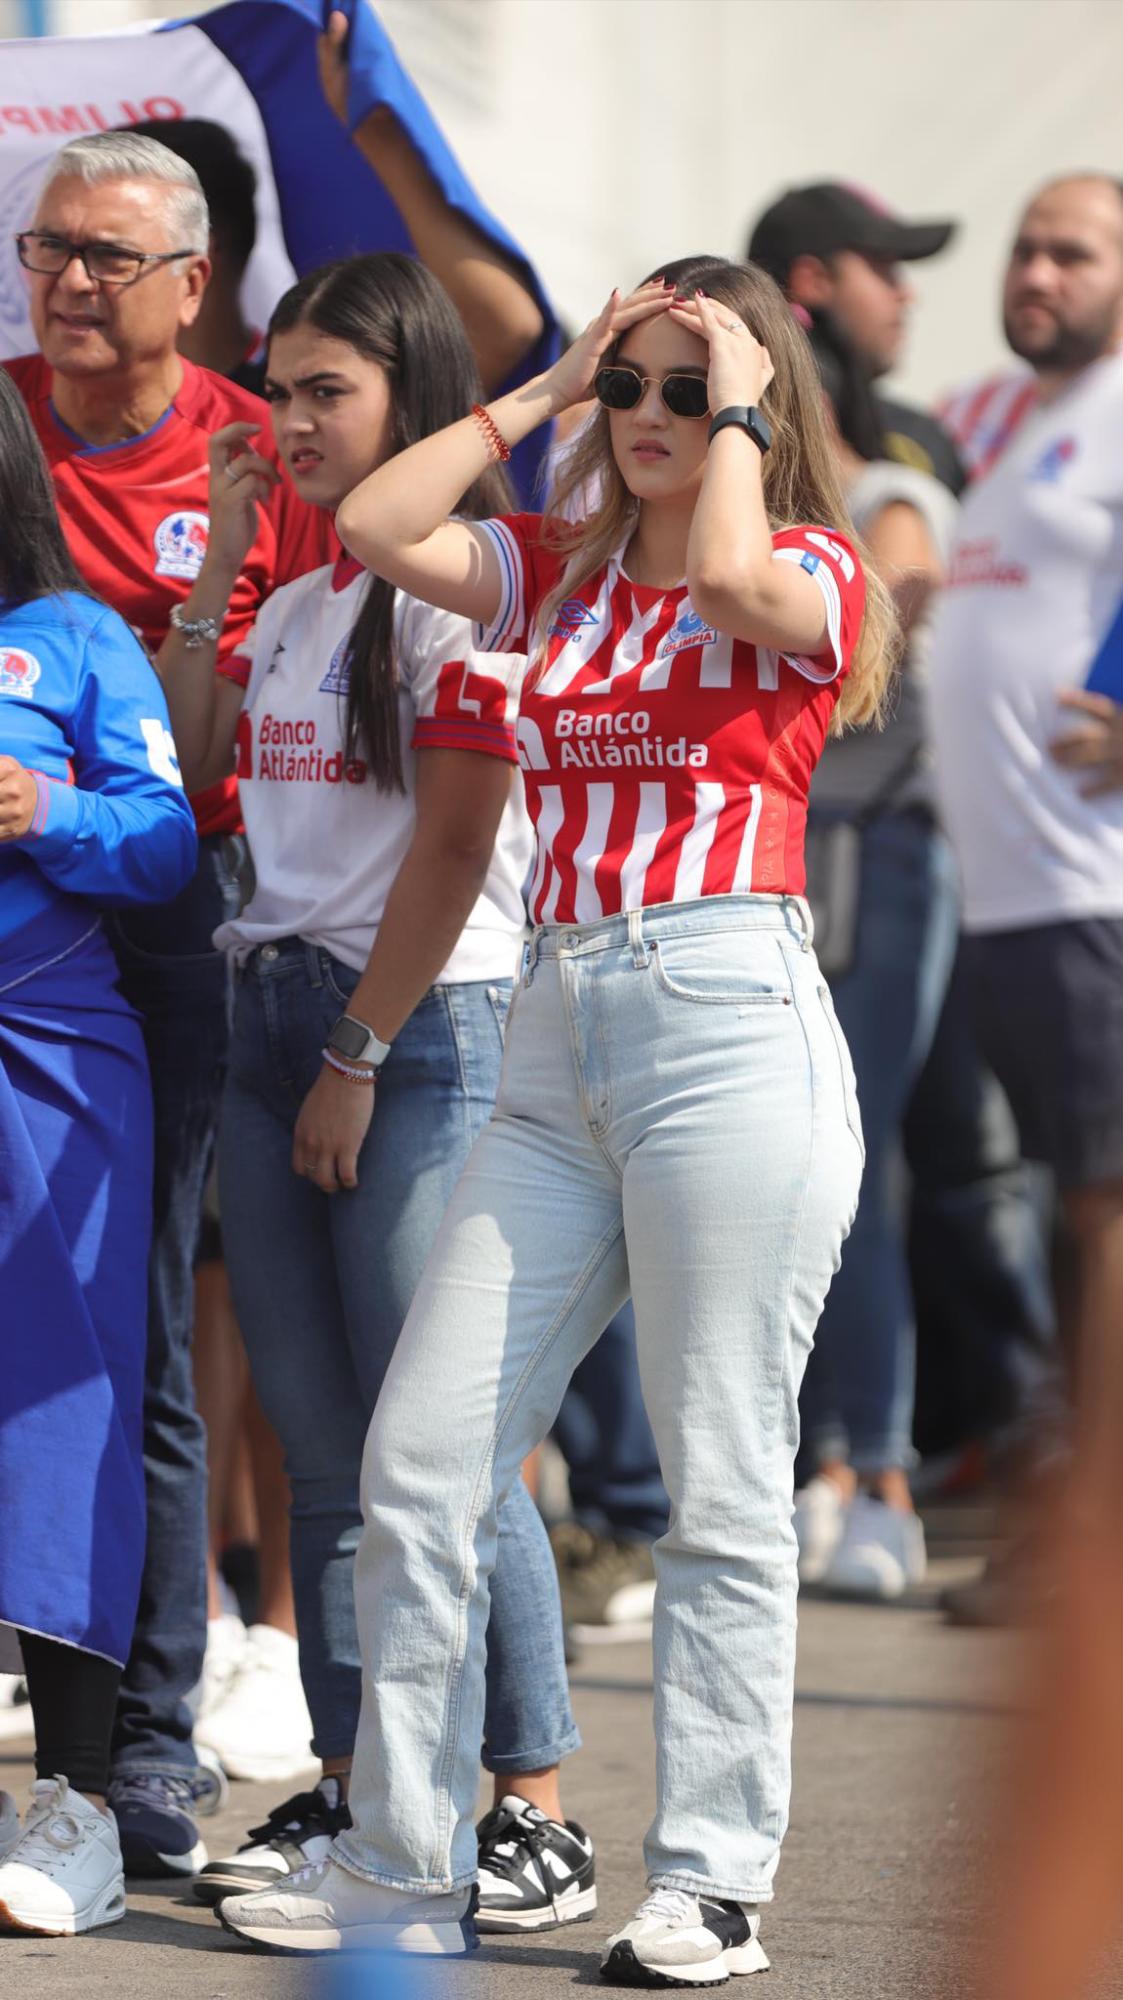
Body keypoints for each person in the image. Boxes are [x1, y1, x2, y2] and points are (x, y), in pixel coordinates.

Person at [216, 253, 895, 1979]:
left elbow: (728, 571)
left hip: (725, 1020)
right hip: (548, 1034)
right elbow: (378, 518)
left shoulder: (807, 566)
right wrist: (551, 382)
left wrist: (734, 410)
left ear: (751, 406)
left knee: (718, 1483)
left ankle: (708, 1882)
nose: (650, 414)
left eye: (687, 388)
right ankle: (400, 1864)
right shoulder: (557, 572)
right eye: (633, 387)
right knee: (419, 1462)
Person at [157, 250, 593, 1932]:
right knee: (327, 1457)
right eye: (276, 389)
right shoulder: (292, 607)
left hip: (410, 1035)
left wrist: (354, 1053)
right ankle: (359, 1792)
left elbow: (458, 845)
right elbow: (198, 766)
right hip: (272, 1015)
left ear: (412, 397)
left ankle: (530, 1808)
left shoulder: (454, 590)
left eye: (324, 390)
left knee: (445, 1451)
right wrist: (217, 560)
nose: (287, 419)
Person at [4, 125, 335, 1877]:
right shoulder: (6, 412)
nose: (65, 281)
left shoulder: (261, 443)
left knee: (134, 1330)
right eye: (45, 247)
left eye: (104, 256)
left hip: (172, 916)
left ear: (193, 285)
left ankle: (140, 1740)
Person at [0, 368, 196, 1936]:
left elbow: (165, 839)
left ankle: (75, 1798)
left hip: (50, 1058)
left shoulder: (74, 636)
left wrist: (41, 805)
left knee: (65, 1412)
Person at [928, 171, 1123, 1626]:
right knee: (1073, 1213)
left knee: (1105, 1213)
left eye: (1073, 253)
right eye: (1025, 248)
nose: (1037, 272)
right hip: (1006, 897)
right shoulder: (1013, 427)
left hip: (1089, 884)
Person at [788, 320, 959, 1597]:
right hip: (772, 858)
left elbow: (861, 643)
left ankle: (880, 1474)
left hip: (880, 854)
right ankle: (825, 1465)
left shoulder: (893, 497)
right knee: (789, 1167)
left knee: (857, 1161)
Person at [747, 181, 964, 491]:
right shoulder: (719, 416)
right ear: (814, 280)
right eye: (884, 270)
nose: (907, 294)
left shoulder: (920, 438)